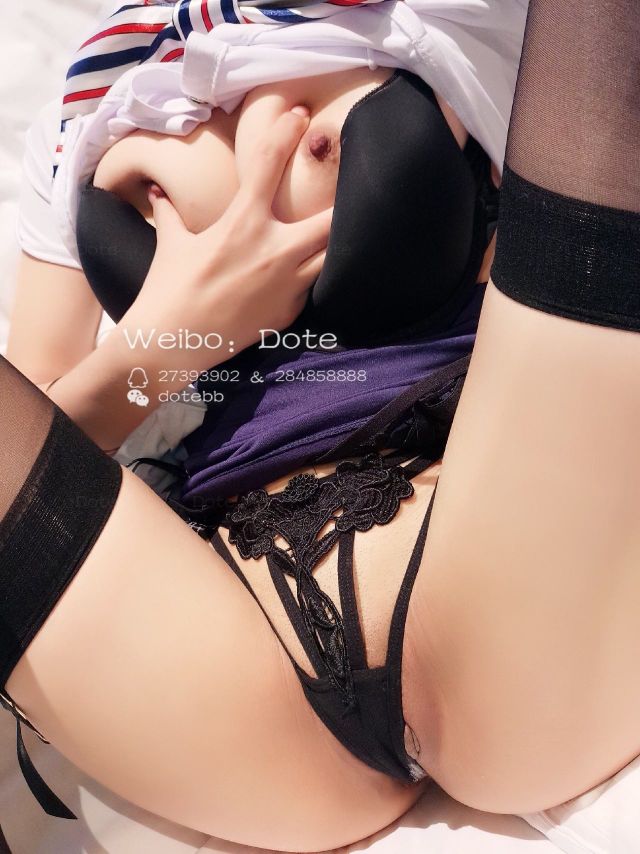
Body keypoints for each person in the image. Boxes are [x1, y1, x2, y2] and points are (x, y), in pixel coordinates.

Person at [2, 0, 639, 851]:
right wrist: (175, 338)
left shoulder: (443, 15)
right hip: (230, 678)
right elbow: (49, 419)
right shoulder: (83, 104)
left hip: (496, 576)